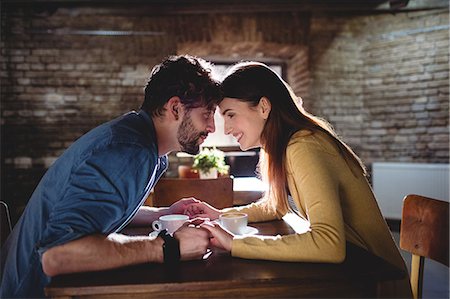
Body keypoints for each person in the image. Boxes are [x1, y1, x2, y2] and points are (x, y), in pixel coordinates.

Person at [0, 55, 222, 298]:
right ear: (175, 108)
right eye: (207, 114)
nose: (211, 127)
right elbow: (57, 256)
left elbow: (102, 209)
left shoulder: (149, 149)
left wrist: (162, 213)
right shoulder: (127, 152)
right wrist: (168, 248)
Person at [185, 61, 412, 297]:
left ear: (263, 107)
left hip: (378, 284)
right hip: (352, 275)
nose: (227, 128)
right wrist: (220, 215)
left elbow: (329, 244)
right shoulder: (280, 148)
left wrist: (236, 244)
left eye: (231, 115)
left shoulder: (304, 145)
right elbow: (276, 205)